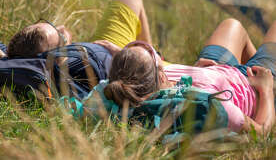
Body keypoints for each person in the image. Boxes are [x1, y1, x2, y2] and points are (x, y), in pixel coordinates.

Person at [104, 18, 276, 135]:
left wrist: (195, 72)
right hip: (253, 88)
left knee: (232, 25)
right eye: (154, 56)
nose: (158, 56)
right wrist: (266, 89)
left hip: (213, 69)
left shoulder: (141, 86)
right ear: (161, 76)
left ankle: (260, 60)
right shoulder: (210, 106)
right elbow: (260, 133)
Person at [0, 0, 159, 77]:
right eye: (61, 37)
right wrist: (125, 54)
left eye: (50, 25)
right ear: (55, 58)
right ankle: (156, 54)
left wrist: (3, 58)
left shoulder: (14, 58)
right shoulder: (61, 74)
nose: (63, 28)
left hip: (103, 44)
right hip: (129, 63)